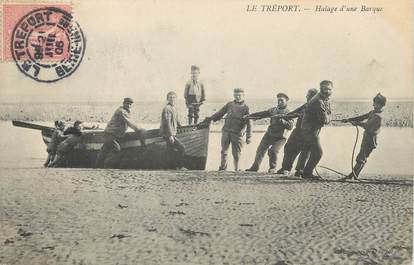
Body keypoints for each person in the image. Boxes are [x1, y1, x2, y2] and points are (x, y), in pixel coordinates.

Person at [202, 88, 251, 171]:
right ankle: (223, 168)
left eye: (239, 95)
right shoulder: (229, 104)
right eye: (236, 95)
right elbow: (220, 113)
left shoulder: (246, 107)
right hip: (226, 131)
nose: (237, 97)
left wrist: (249, 136)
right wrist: (210, 119)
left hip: (237, 133)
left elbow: (249, 122)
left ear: (243, 96)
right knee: (224, 152)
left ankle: (237, 169)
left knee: (236, 153)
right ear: (233, 95)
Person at [340, 93, 386, 180]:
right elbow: (362, 117)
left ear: (381, 105)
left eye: (375, 104)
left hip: (370, 139)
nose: (373, 105)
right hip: (367, 138)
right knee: (362, 157)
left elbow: (367, 125)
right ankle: (354, 175)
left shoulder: (378, 116)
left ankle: (353, 176)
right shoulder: (373, 112)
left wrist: (356, 123)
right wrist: (349, 120)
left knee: (361, 157)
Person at [245, 93, 294, 173]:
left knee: (273, 151)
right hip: (269, 134)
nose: (279, 102)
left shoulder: (289, 112)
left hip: (281, 137)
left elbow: (290, 126)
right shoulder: (273, 110)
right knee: (260, 150)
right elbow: (261, 114)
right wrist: (249, 116)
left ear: (286, 101)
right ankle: (255, 168)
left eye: (282, 100)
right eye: (278, 100)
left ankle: (272, 168)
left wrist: (282, 121)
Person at [276, 88, 319, 177]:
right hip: (298, 130)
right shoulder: (306, 105)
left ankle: (300, 170)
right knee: (289, 148)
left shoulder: (317, 106)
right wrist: (285, 116)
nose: (306, 96)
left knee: (305, 151)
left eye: (308, 95)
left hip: (308, 132)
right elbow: (294, 112)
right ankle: (286, 168)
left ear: (313, 96)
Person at [95, 98, 146, 168]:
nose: (128, 105)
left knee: (104, 151)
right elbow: (130, 123)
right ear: (123, 103)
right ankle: (107, 167)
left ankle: (97, 167)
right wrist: (139, 129)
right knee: (116, 148)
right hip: (110, 134)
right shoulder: (121, 111)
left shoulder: (125, 111)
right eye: (127, 103)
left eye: (130, 104)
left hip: (111, 134)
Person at [300, 80, 333, 179]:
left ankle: (303, 171)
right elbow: (325, 120)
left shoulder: (325, 99)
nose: (327, 91)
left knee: (310, 151)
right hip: (310, 130)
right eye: (325, 88)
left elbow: (328, 113)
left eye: (329, 89)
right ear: (321, 88)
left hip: (311, 129)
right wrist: (328, 117)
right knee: (318, 153)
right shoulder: (318, 101)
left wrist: (328, 116)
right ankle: (306, 173)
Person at [160, 91, 187, 170]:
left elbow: (176, 120)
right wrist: (170, 135)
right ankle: (180, 166)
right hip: (167, 133)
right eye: (170, 98)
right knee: (182, 148)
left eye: (173, 98)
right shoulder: (167, 108)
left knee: (170, 150)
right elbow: (167, 122)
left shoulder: (174, 108)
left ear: (176, 99)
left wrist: (181, 126)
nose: (172, 99)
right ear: (167, 99)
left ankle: (171, 167)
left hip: (172, 133)